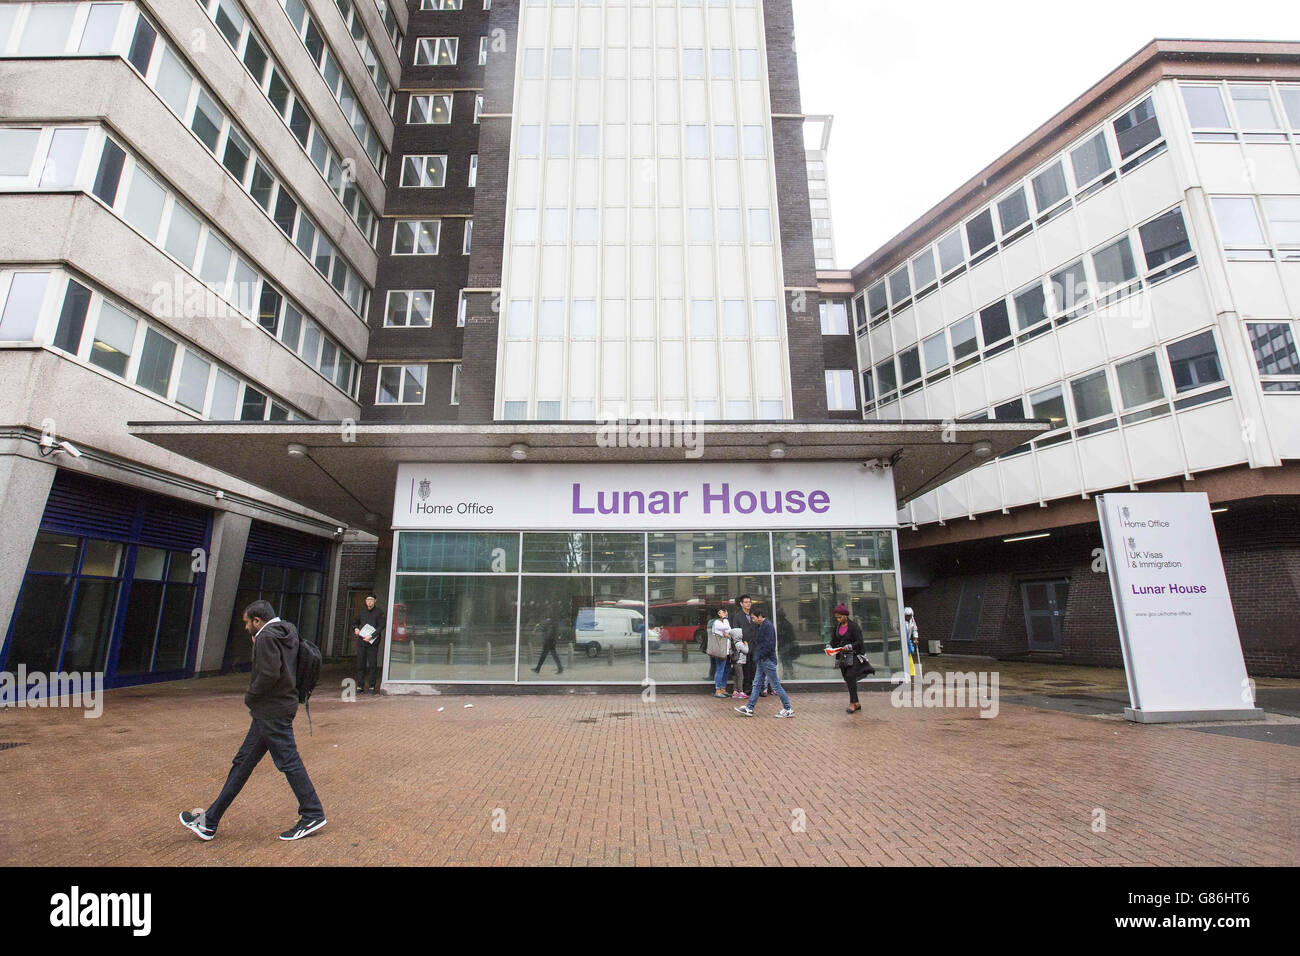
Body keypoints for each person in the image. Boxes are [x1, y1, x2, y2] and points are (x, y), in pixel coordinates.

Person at [179, 600, 326, 842]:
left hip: (272, 709)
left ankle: (312, 812)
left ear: (257, 621)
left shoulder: (267, 637)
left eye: (248, 623)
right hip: (275, 708)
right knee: (243, 763)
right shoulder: (286, 630)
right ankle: (209, 822)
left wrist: (250, 696)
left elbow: (269, 674)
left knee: (288, 761)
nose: (246, 627)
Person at [735, 605, 794, 718]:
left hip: (766, 660)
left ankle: (788, 708)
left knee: (775, 685)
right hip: (763, 660)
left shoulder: (767, 626)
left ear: (760, 616)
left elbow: (769, 645)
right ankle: (750, 708)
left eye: (753, 618)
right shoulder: (763, 625)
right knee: (757, 684)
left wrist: (760, 656)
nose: (752, 620)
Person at [827, 602, 872, 714]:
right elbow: (834, 640)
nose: (838, 619)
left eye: (839, 617)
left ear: (845, 615)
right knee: (847, 679)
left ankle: (852, 703)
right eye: (836, 617)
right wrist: (829, 646)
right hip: (842, 657)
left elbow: (859, 641)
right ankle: (856, 702)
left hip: (854, 655)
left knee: (850, 676)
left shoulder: (853, 626)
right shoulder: (837, 627)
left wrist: (851, 646)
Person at [352, 594, 386, 694]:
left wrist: (372, 636)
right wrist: (356, 628)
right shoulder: (362, 612)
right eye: (367, 600)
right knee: (360, 664)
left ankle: (371, 686)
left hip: (372, 642)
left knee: (372, 664)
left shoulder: (379, 613)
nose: (369, 602)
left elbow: (381, 626)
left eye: (371, 600)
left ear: (375, 601)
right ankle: (360, 686)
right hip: (362, 641)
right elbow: (355, 622)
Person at [731, 594, 759, 696]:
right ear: (741, 604)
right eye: (746, 602)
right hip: (743, 646)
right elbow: (735, 632)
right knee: (745, 668)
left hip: (754, 645)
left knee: (754, 667)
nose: (748, 604)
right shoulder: (738, 616)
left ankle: (755, 688)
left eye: (749, 602)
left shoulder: (753, 615)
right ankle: (746, 688)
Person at [709, 606, 732, 698]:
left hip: (726, 649)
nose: (726, 613)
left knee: (726, 669)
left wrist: (728, 635)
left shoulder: (724, 621)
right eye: (724, 612)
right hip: (720, 650)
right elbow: (726, 627)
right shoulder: (717, 622)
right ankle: (717, 690)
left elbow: (729, 631)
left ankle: (723, 689)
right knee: (720, 669)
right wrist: (725, 618)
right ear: (719, 613)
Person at [727, 622, 750, 699]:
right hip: (740, 662)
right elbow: (746, 651)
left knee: (735, 676)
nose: (742, 635)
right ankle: (740, 691)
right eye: (741, 633)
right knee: (741, 676)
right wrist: (746, 644)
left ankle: (735, 691)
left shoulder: (733, 643)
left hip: (734, 662)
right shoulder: (740, 643)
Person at [905, 606, 922, 679]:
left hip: (908, 641)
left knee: (909, 655)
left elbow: (914, 629)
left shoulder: (912, 620)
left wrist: (915, 638)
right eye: (907, 616)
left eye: (910, 616)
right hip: (902, 641)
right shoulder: (901, 620)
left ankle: (911, 673)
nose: (908, 617)